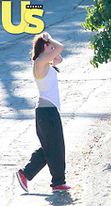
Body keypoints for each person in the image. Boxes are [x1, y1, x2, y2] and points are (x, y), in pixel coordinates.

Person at [16, 32, 71, 192]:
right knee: (55, 147)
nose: (52, 47)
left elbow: (59, 58)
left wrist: (50, 44)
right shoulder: (40, 62)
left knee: (50, 147)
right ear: (44, 46)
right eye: (49, 45)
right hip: (46, 113)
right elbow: (60, 47)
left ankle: (26, 174)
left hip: (49, 111)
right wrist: (49, 39)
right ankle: (58, 183)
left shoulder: (46, 62)